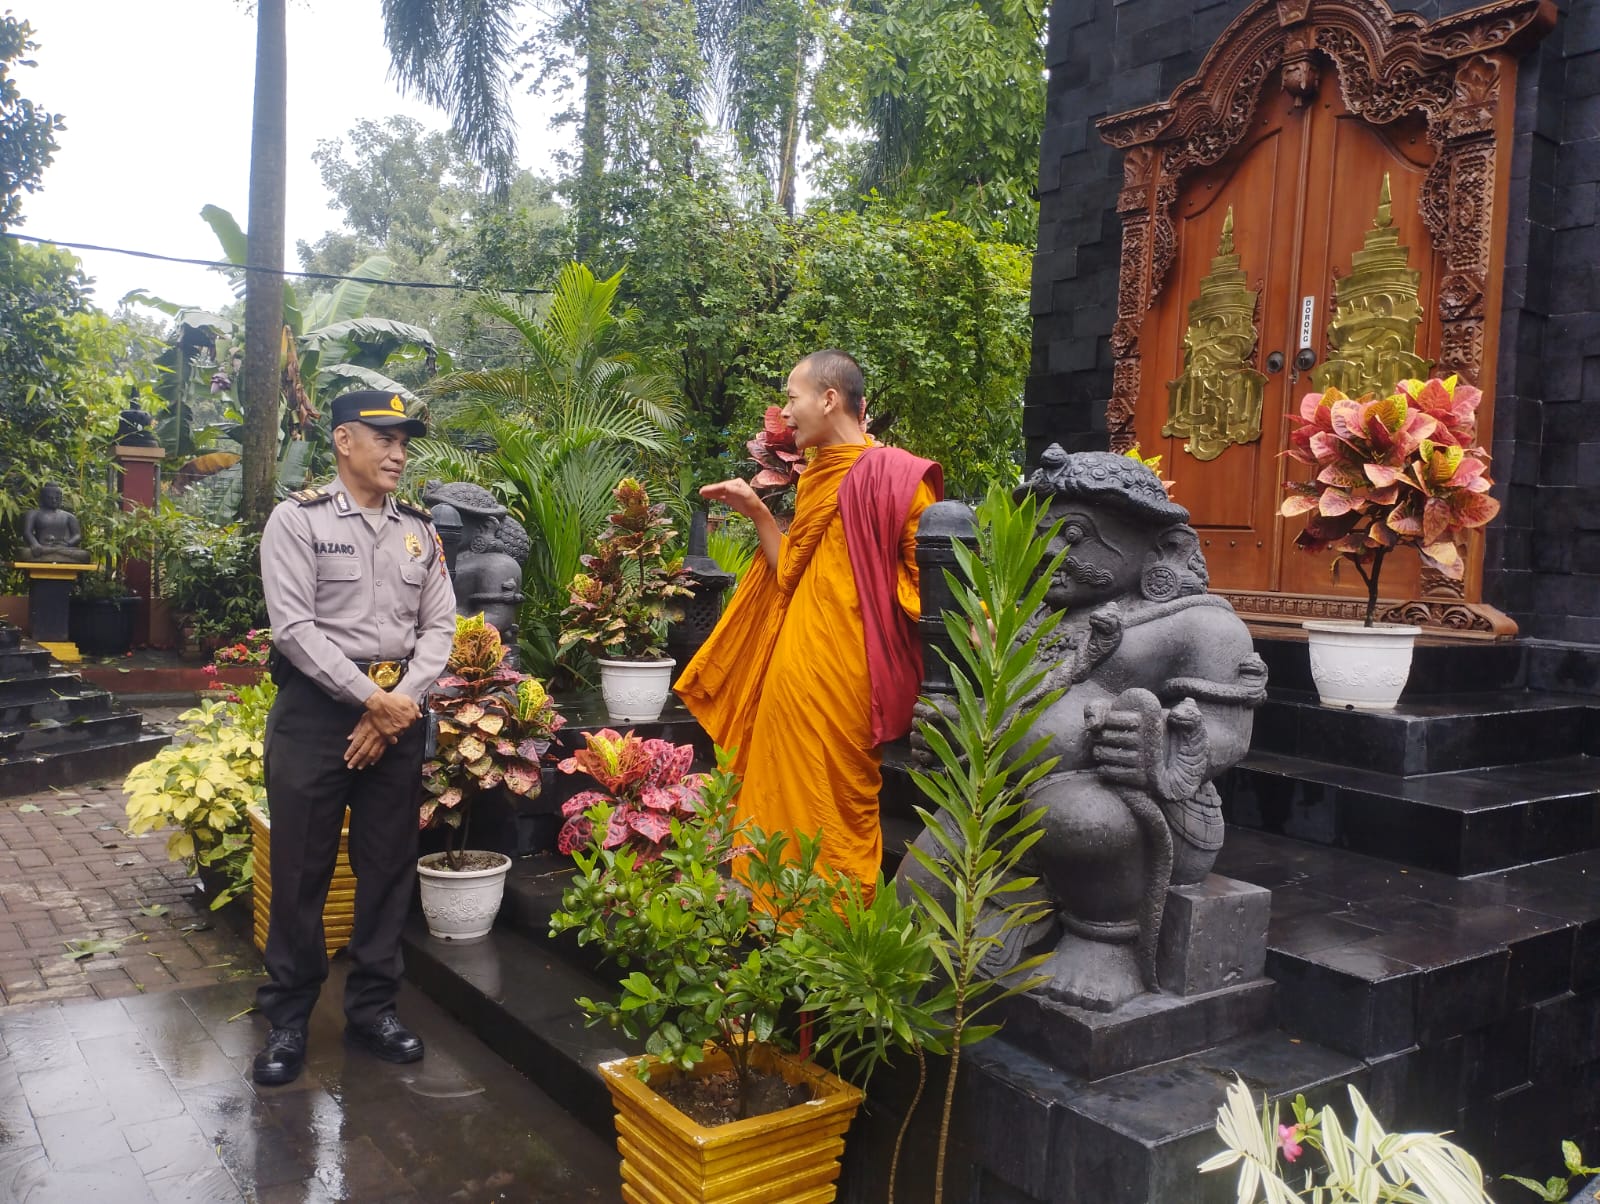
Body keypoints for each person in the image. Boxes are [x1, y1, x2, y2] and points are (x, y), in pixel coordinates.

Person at [675, 350, 943, 886]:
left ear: (829, 398)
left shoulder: (896, 476)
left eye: (793, 397)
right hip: (792, 667)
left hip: (846, 671)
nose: (786, 411)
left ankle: (833, 926)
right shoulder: (820, 476)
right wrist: (755, 510)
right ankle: (772, 918)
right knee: (778, 790)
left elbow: (931, 584)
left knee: (835, 800)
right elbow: (790, 568)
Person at [251, 389, 456, 1087]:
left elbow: (440, 629)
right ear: (344, 441)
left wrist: (395, 704)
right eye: (384, 438)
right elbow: (294, 629)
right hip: (315, 716)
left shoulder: (419, 531)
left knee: (388, 868)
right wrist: (373, 700)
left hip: (397, 712)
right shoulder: (297, 521)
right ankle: (287, 1018)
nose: (399, 453)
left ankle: (372, 1011)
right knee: (302, 871)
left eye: (405, 441)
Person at [21, 483, 91, 563]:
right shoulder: (33, 514)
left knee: (84, 555)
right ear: (42, 499)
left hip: (63, 548)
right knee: (25, 553)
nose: (54, 500)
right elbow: (27, 532)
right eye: (50, 498)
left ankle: (54, 554)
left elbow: (77, 535)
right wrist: (35, 544)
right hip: (42, 547)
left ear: (61, 498)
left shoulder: (69, 516)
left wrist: (68, 544)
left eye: (57, 498)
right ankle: (53, 555)